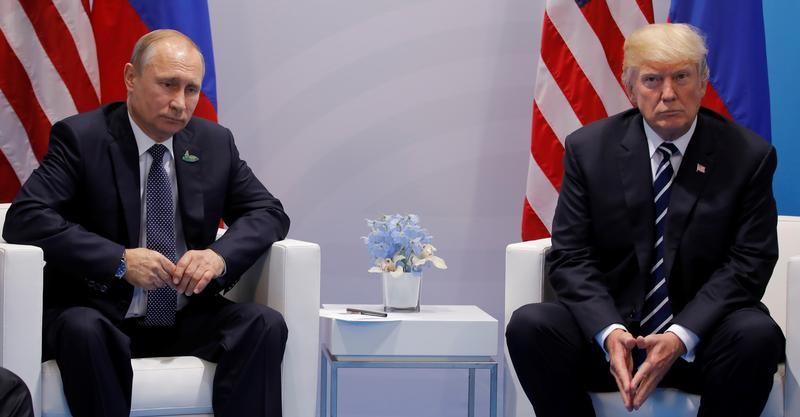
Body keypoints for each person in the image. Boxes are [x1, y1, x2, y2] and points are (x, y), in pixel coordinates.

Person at [3, 29, 290, 417]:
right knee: (84, 329)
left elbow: (268, 212)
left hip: (183, 314)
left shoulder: (213, 142)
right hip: (98, 311)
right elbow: (26, 219)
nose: (179, 103)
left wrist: (218, 257)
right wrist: (120, 260)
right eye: (168, 85)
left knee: (263, 324)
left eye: (190, 89)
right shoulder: (82, 138)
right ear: (131, 78)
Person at [506, 23, 783, 417]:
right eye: (652, 80)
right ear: (630, 87)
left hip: (701, 343)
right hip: (611, 343)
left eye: (682, 77)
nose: (668, 94)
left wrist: (680, 335)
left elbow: (748, 264)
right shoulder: (589, 150)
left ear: (703, 82)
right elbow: (571, 257)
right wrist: (609, 331)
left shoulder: (747, 157)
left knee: (756, 335)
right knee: (531, 325)